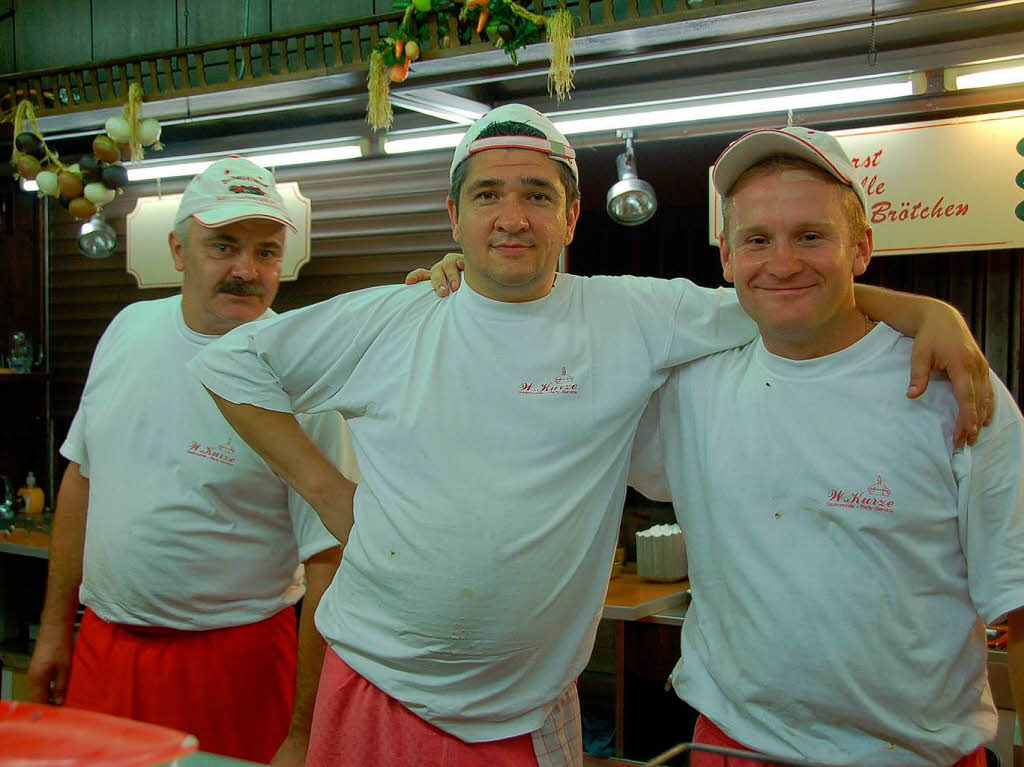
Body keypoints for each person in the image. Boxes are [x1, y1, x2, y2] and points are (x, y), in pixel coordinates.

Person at [188, 105, 992, 767]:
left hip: (527, 712)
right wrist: (326, 489)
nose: (513, 217)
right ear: (453, 215)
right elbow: (232, 367)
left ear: (573, 214)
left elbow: (783, 292)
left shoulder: (632, 314)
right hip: (374, 683)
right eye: (489, 196)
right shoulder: (396, 317)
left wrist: (926, 310)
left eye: (538, 195)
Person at [626, 126, 1024, 767]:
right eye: (757, 240)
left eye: (811, 236)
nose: (782, 262)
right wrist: (444, 295)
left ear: (861, 247)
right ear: (726, 259)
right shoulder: (690, 388)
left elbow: (1019, 598)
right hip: (732, 747)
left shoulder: (954, 391)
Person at [26, 157, 358, 767]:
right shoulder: (127, 329)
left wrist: (305, 728)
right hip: (104, 643)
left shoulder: (303, 378)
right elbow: (81, 480)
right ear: (178, 251)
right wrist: (55, 627)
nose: (245, 270)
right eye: (223, 246)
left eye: (266, 251)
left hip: (238, 662)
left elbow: (329, 560)